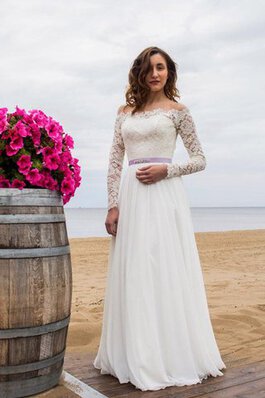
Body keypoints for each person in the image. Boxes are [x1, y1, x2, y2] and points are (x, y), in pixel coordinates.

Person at [93, 46, 226, 391]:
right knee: (135, 270)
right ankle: (132, 352)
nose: (154, 74)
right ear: (139, 73)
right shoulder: (125, 112)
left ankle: (169, 354)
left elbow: (199, 159)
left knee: (164, 268)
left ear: (169, 72)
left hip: (165, 195)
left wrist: (167, 169)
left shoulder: (179, 112)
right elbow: (113, 161)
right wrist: (112, 204)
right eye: (148, 68)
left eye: (161, 67)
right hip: (131, 197)